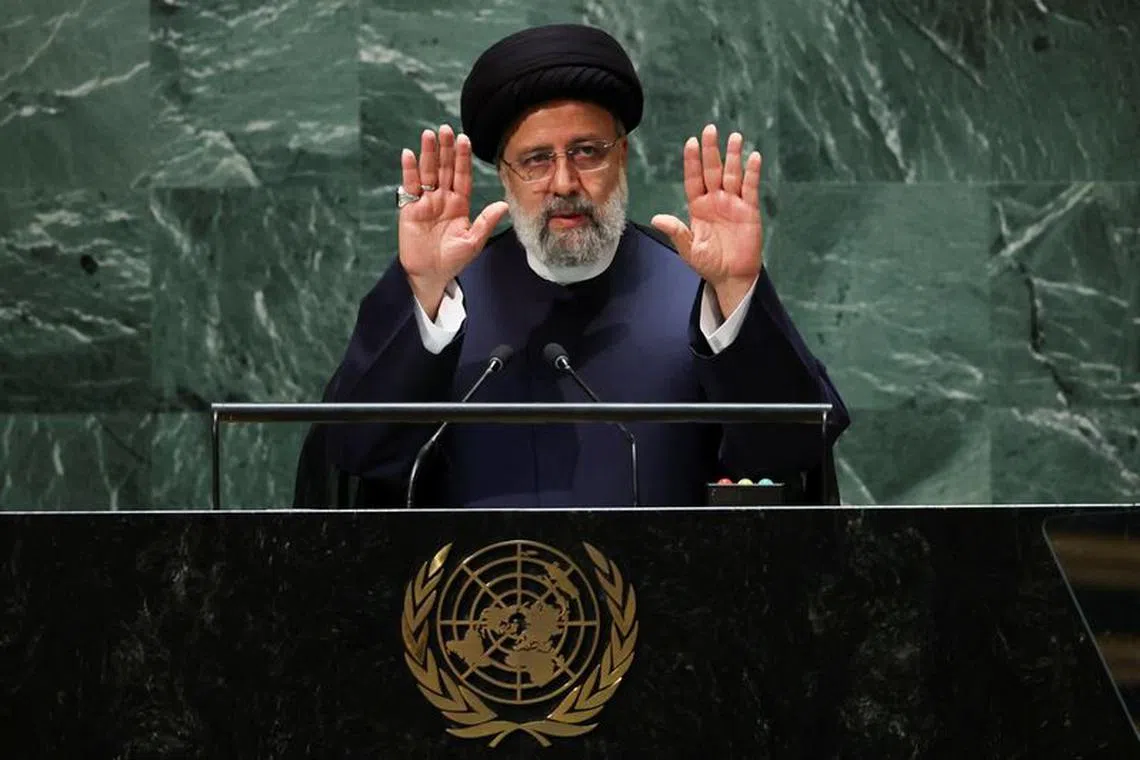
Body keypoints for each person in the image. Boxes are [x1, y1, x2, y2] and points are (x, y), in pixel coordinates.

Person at [319, 24, 849, 507]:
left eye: (587, 152)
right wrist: (423, 287)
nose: (565, 183)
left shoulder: (700, 291)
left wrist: (737, 289)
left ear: (623, 156)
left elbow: (793, 452)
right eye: (536, 160)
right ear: (504, 175)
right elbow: (357, 455)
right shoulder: (447, 294)